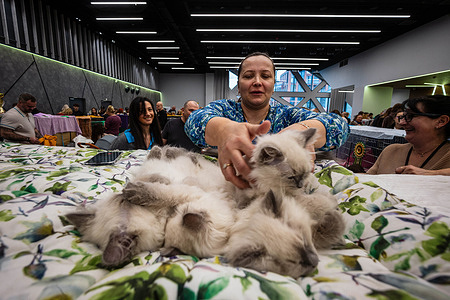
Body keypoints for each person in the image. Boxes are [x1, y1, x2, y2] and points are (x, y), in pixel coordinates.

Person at [185, 52, 349, 188]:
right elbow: (194, 121)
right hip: (228, 189)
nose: (257, 82)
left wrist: (302, 130)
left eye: (265, 76)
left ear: (273, 84)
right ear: (239, 85)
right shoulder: (224, 110)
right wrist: (223, 130)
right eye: (249, 76)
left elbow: (340, 126)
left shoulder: (287, 115)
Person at [367, 95, 450, 175]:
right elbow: (366, 181)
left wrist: (431, 174)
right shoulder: (391, 151)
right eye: (403, 116)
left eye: (410, 116)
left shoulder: (446, 155)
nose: (402, 122)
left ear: (441, 121)